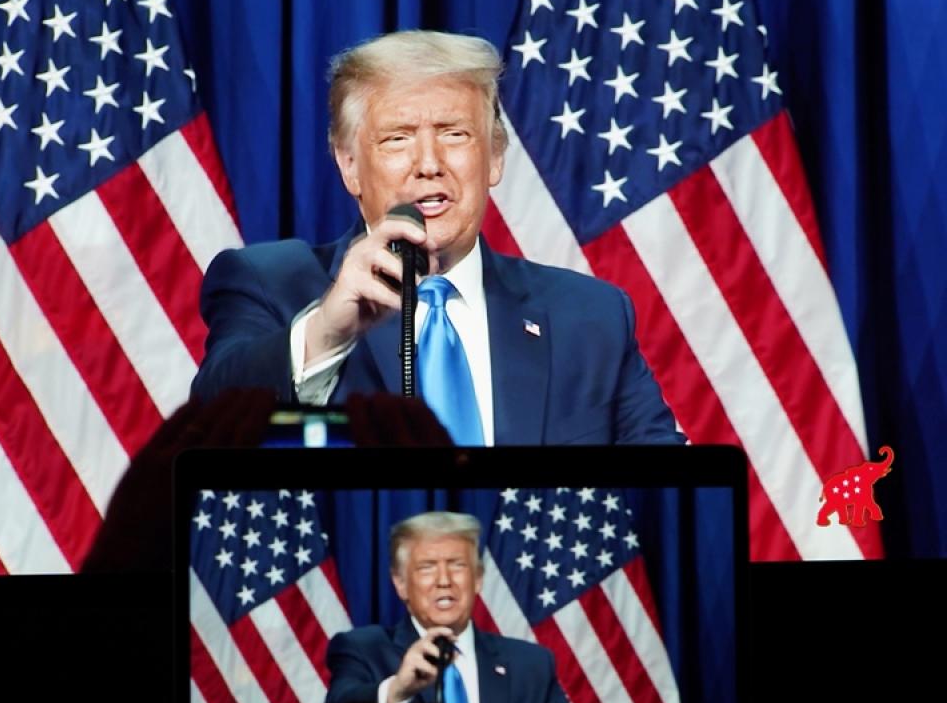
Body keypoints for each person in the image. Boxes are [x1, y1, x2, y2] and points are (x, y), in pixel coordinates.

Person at [191, 29, 684, 446]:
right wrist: (327, 332)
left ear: (494, 157)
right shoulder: (271, 283)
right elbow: (205, 433)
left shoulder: (590, 317)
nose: (429, 164)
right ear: (348, 166)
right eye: (397, 138)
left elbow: (673, 500)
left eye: (454, 134)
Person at [324, 511, 602, 703]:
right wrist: (397, 689)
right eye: (427, 567)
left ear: (478, 579)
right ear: (400, 584)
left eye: (457, 565)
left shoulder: (530, 665)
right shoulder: (363, 650)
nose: (444, 580)